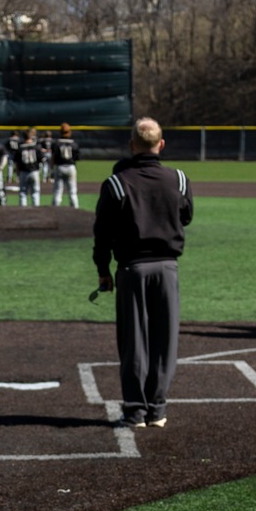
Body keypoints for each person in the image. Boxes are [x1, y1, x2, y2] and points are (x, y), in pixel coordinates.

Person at [94, 116, 194, 426]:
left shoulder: (116, 183)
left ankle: (135, 411)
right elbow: (186, 217)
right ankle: (157, 410)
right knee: (165, 340)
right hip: (167, 267)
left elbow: (102, 234)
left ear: (131, 145)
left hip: (131, 268)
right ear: (161, 145)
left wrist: (103, 271)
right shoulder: (178, 179)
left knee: (133, 340)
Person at [12, 127, 47, 207]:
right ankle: (36, 210)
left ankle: (22, 211)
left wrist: (17, 173)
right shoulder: (36, 147)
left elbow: (17, 163)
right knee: (35, 192)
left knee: (23, 193)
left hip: (23, 172)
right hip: (34, 171)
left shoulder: (20, 148)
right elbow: (42, 160)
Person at [50, 122, 82, 208]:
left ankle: (55, 209)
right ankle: (75, 209)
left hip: (59, 167)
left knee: (58, 191)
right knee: (72, 191)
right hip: (71, 167)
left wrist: (51, 169)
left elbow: (53, 158)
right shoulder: (74, 143)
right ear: (69, 132)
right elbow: (77, 157)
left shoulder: (56, 144)